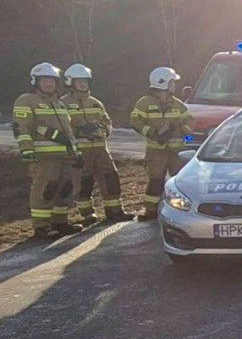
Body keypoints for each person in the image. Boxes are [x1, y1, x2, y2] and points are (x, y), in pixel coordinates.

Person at [12, 63, 82, 237]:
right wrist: (27, 150)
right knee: (45, 189)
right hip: (44, 156)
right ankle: (41, 226)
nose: (49, 84)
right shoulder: (26, 100)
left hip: (65, 156)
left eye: (52, 80)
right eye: (45, 80)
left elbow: (68, 132)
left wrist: (76, 152)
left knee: (64, 188)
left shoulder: (59, 104)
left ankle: (60, 222)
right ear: (36, 81)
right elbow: (21, 128)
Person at [62, 63, 130, 223]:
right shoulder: (63, 104)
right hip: (80, 151)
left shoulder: (95, 102)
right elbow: (62, 127)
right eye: (79, 81)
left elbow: (107, 122)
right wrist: (80, 131)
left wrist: (102, 132)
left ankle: (114, 211)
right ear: (70, 82)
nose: (83, 84)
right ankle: (87, 215)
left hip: (100, 149)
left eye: (85, 81)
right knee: (83, 183)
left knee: (110, 178)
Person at [131, 67, 193, 221]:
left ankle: (179, 210)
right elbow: (135, 121)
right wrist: (152, 132)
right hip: (156, 152)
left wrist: (179, 130)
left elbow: (190, 122)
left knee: (179, 183)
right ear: (164, 83)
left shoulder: (178, 105)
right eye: (172, 82)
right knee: (156, 181)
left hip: (176, 152)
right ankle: (151, 211)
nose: (174, 86)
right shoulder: (144, 103)